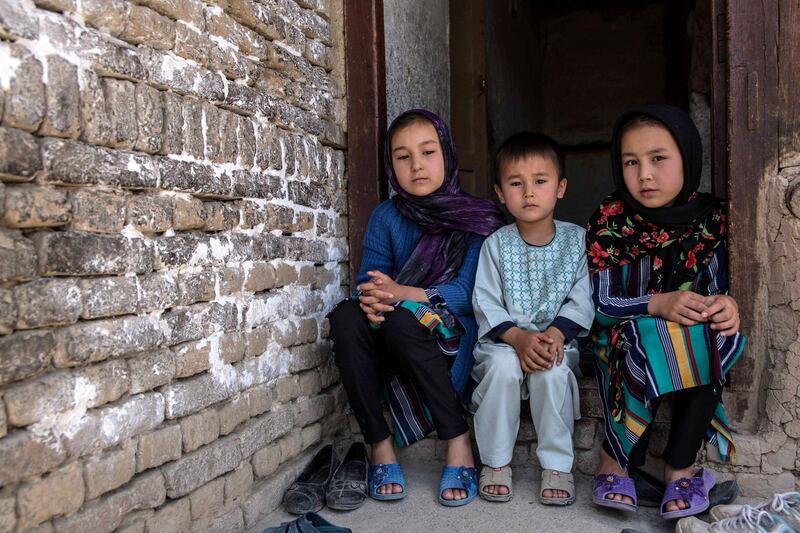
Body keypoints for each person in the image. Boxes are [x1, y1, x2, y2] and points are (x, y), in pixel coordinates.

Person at [327, 109, 505, 507]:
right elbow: (369, 283)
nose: (417, 165)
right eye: (402, 156)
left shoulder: (477, 219)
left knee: (404, 317)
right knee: (345, 317)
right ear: (391, 165)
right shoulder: (386, 216)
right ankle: (379, 444)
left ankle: (457, 439)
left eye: (428, 152)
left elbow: (470, 293)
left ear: (448, 154)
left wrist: (399, 293)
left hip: (450, 334)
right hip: (396, 325)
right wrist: (370, 301)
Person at [587, 104, 745, 519]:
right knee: (646, 335)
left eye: (659, 159)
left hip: (685, 334)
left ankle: (681, 469)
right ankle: (615, 459)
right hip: (622, 335)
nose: (645, 175)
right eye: (631, 162)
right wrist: (657, 303)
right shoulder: (611, 220)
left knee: (715, 335)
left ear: (688, 157)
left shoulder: (712, 220)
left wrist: (725, 306)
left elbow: (715, 292)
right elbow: (602, 302)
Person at [471, 132, 594, 505]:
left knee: (553, 370)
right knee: (503, 369)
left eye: (540, 181)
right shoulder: (495, 244)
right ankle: (495, 462)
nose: (528, 192)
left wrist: (555, 334)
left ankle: (557, 465)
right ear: (499, 192)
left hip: (557, 341)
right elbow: (486, 301)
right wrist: (518, 339)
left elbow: (582, 298)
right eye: (516, 183)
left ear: (560, 188)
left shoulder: (577, 241)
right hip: (504, 342)